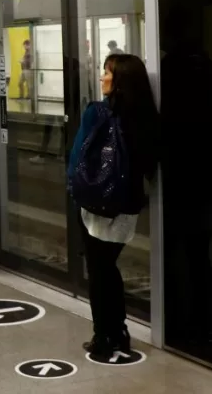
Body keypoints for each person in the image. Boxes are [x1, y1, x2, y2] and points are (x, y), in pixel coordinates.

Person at [68, 53, 159, 357]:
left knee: (98, 269)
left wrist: (74, 188)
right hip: (124, 206)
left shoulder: (96, 113)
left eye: (107, 73)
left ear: (119, 82)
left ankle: (103, 336)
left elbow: (78, 158)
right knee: (108, 267)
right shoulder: (146, 120)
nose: (102, 77)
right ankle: (118, 330)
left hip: (96, 204)